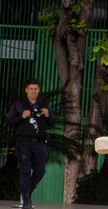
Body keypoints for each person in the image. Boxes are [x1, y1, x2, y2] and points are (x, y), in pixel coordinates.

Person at [4, 78, 55, 209]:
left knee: (40, 171)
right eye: (31, 89)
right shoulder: (18, 104)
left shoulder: (44, 104)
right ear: (26, 90)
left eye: (35, 89)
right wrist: (21, 116)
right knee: (25, 170)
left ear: (39, 90)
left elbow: (52, 124)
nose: (33, 91)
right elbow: (8, 121)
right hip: (24, 143)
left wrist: (48, 115)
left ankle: (27, 191)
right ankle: (26, 200)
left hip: (40, 143)